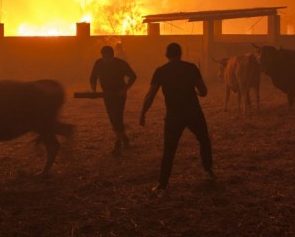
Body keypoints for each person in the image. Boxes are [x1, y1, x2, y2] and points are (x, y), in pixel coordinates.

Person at [140, 42, 215, 197]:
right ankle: (208, 170)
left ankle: (162, 185)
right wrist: (197, 93)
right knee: (204, 140)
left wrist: (143, 113)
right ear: (180, 54)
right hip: (193, 112)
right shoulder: (191, 67)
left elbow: (150, 95)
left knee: (169, 149)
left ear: (166, 55)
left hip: (174, 115)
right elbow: (204, 91)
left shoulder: (161, 71)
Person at [90, 45, 137, 156]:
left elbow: (133, 76)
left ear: (112, 55)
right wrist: (94, 90)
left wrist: (125, 89)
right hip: (107, 94)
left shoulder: (120, 63)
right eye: (104, 57)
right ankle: (123, 137)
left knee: (117, 116)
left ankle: (118, 143)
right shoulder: (98, 63)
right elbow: (93, 77)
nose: (106, 59)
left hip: (119, 94)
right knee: (112, 117)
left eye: (108, 57)